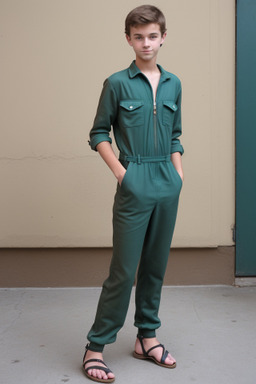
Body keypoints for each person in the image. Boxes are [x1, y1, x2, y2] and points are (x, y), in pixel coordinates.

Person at [83, 5, 184, 383]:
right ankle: (95, 347)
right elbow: (98, 133)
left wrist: (177, 172)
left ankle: (147, 337)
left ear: (163, 37)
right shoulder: (117, 83)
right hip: (136, 177)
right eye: (138, 36)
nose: (146, 43)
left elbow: (176, 134)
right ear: (129, 39)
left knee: (155, 267)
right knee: (124, 272)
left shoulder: (174, 83)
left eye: (153, 36)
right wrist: (123, 173)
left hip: (167, 181)